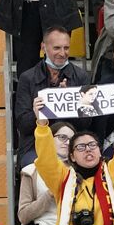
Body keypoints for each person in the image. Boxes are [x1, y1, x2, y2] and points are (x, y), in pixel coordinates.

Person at [15, 27, 89, 166]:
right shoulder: (27, 78)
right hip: (34, 145)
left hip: (71, 144)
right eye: (57, 48)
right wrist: (40, 113)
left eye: (66, 48)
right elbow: (23, 125)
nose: (62, 53)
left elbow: (86, 124)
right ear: (43, 47)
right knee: (36, 165)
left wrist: (69, 103)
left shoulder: (81, 77)